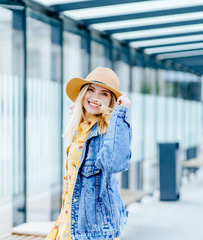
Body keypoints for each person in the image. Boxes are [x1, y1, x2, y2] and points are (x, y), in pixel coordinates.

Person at [46, 67, 132, 240]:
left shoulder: (109, 131)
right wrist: (80, 111)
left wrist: (120, 113)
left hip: (94, 230)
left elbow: (113, 164)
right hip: (70, 219)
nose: (95, 97)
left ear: (111, 101)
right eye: (90, 90)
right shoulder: (82, 127)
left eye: (104, 94)